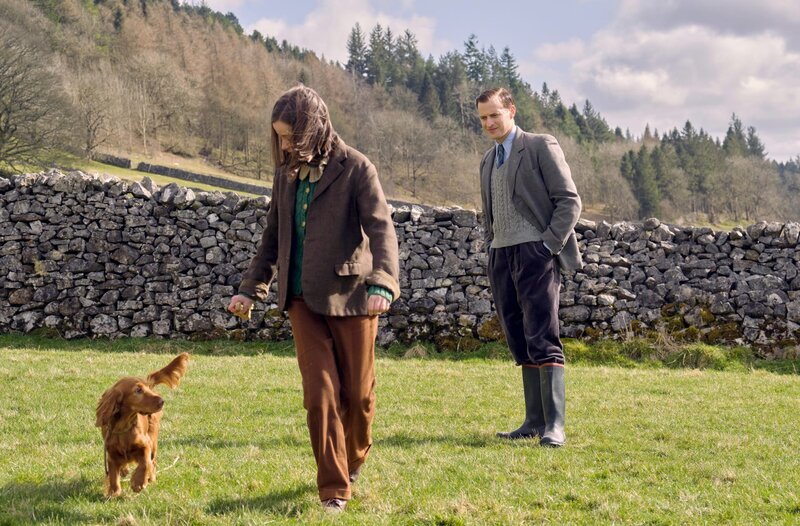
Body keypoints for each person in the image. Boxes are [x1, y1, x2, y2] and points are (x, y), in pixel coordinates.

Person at [228, 85, 400, 512]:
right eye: (279, 138)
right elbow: (272, 237)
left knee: (357, 397)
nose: (284, 146)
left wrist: (383, 281)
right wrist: (250, 289)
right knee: (319, 396)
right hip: (300, 300)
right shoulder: (284, 174)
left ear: (313, 128)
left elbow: (382, 230)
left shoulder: (357, 168)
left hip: (352, 297)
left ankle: (353, 457)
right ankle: (334, 489)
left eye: (291, 137)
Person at [475, 87, 583, 447]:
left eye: (494, 114)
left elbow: (569, 201)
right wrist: (492, 246)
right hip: (501, 255)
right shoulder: (487, 161)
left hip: (536, 253)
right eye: (483, 118)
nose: (489, 123)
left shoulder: (539, 146)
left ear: (511, 111)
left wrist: (548, 246)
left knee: (542, 333)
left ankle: (555, 425)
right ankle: (533, 421)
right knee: (517, 335)